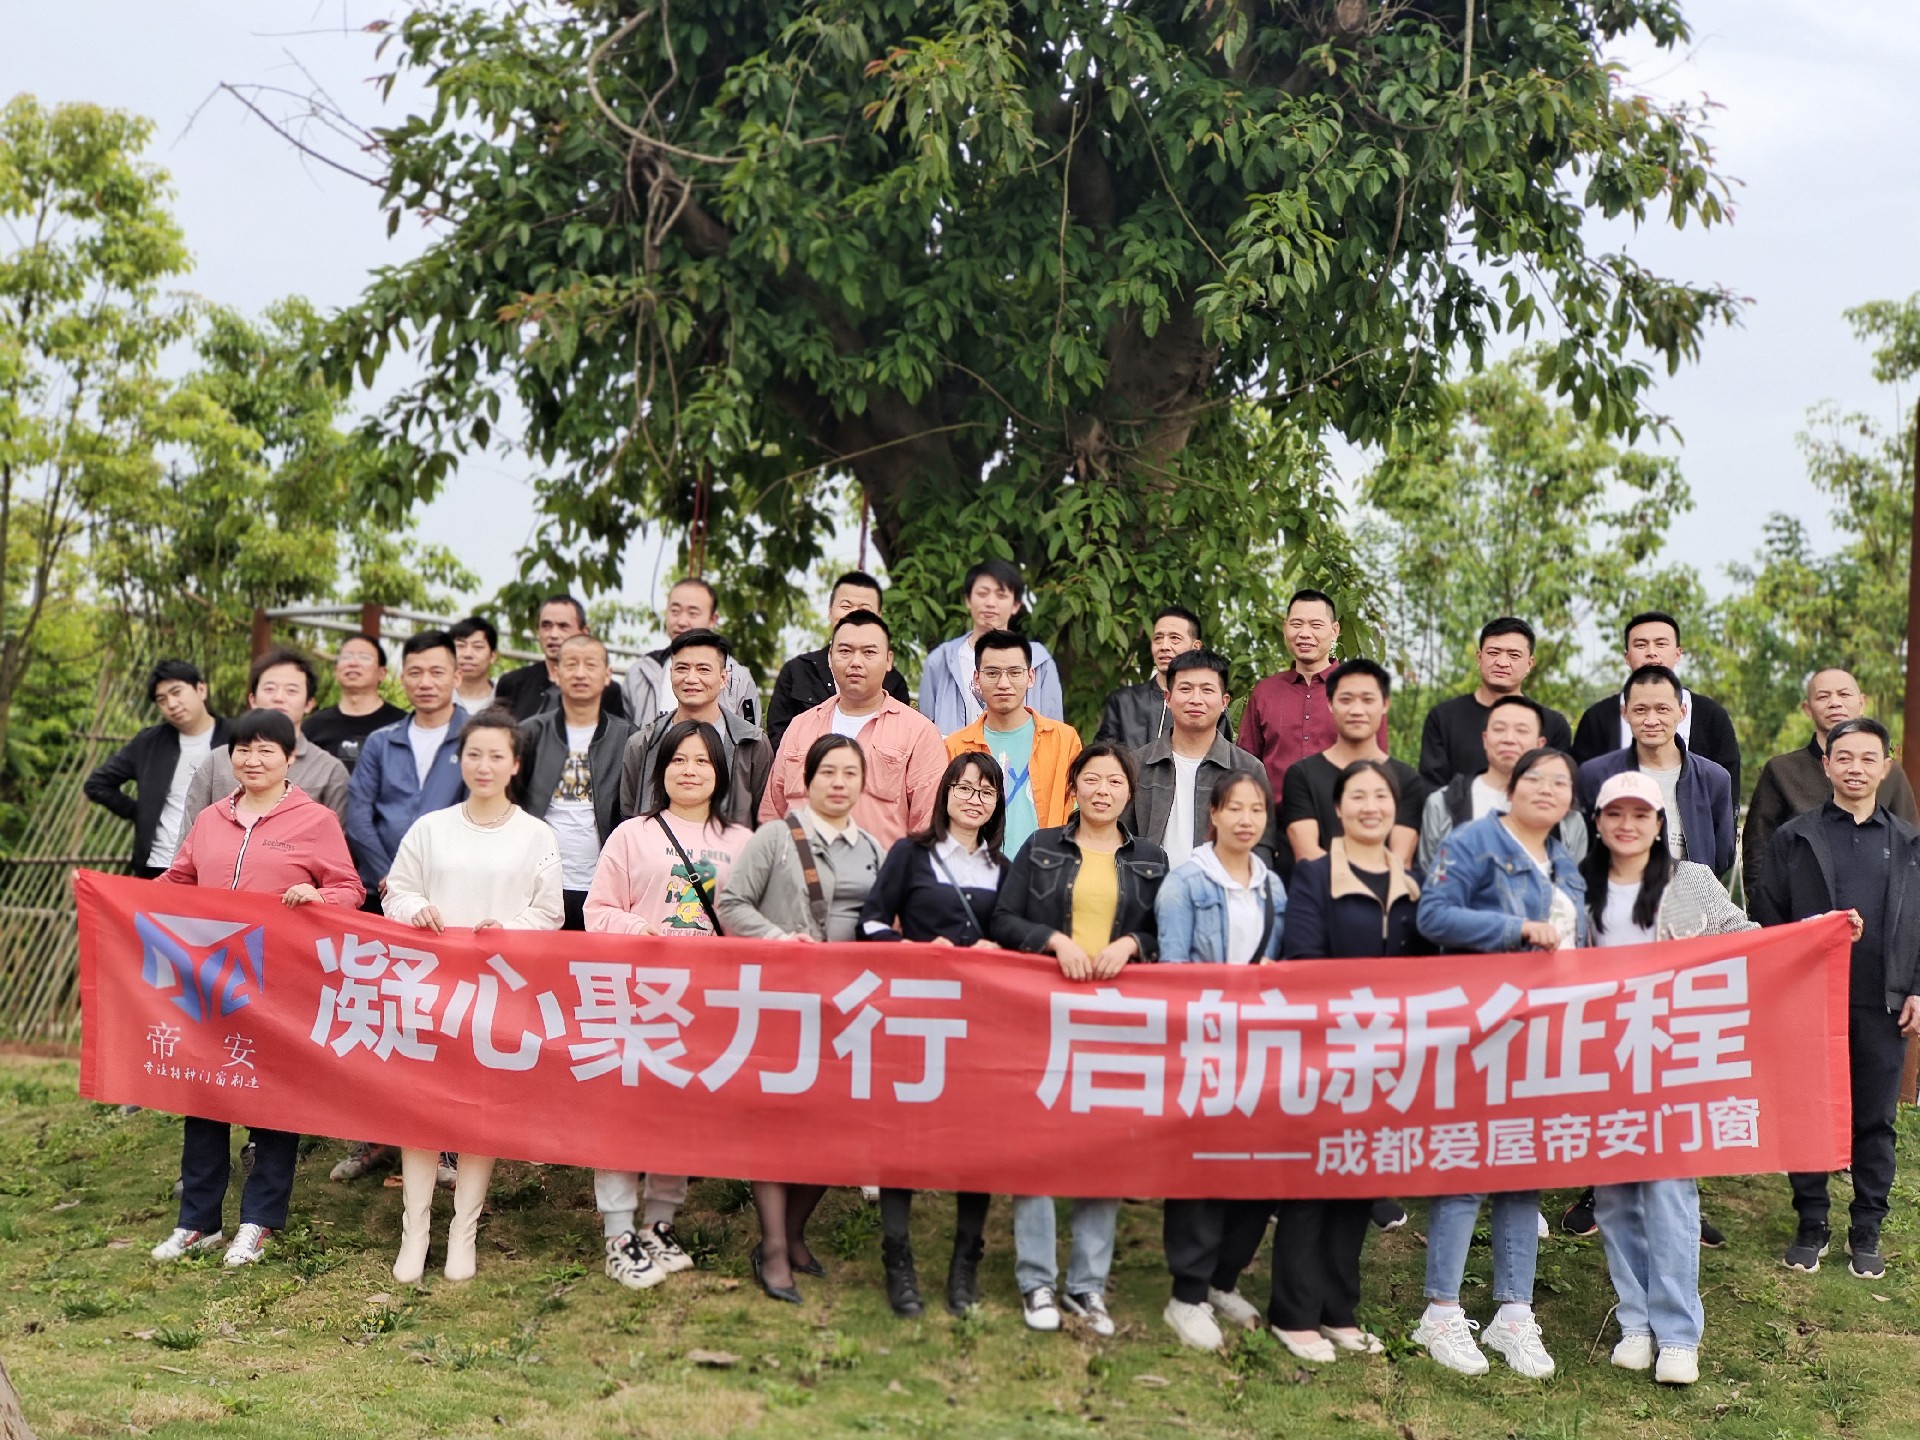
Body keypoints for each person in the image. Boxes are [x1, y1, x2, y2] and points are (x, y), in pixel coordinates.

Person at [148, 708, 363, 1268]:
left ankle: (259, 1221)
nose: (253, 760)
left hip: (280, 987)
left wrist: (319, 897)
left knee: (272, 1101)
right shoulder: (211, 819)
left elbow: (349, 888)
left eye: (267, 750)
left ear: (291, 758)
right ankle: (198, 1222)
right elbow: (178, 880)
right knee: (205, 1094)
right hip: (211, 983)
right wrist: (122, 897)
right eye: (243, 749)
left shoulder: (315, 820)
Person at [1412, 747, 1587, 1380]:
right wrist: (1513, 928)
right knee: (1466, 1165)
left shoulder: (1564, 859)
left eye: (1560, 782)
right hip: (1481, 1026)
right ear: (1512, 787)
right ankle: (1440, 1312)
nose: (1547, 789)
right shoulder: (1474, 841)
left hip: (1544, 1034)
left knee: (1522, 1168)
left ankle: (1514, 1313)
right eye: (1535, 778)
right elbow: (1433, 915)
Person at [1580, 771, 1758, 1387]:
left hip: (1673, 1058)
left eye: (1641, 814)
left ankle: (1679, 1334)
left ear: (1660, 824)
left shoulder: (1689, 881)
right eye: (1615, 814)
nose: (1627, 825)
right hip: (1600, 1060)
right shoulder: (1580, 886)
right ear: (1599, 822)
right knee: (1613, 1194)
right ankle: (1635, 1320)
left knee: (1669, 1192)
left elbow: (1755, 943)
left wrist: (1821, 931)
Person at [990, 743, 1167, 1338]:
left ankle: (1087, 1286)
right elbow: (1003, 919)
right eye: (1091, 779)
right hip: (1044, 1018)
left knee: (1103, 1151)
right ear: (1074, 787)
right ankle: (1037, 1279)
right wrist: (1053, 941)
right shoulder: (1041, 846)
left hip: (1117, 1024)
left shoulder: (1151, 858)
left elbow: (1166, 931)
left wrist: (1134, 944)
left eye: (1114, 782)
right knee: (1037, 1147)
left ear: (1128, 793)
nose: (1101, 791)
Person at [382, 708, 564, 1284]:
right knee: (420, 1111)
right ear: (460, 761)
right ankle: (415, 1231)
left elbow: (549, 911)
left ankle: (464, 1231)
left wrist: (508, 929)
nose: (484, 766)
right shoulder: (430, 828)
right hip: (430, 989)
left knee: (478, 1112)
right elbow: (396, 891)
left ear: (515, 764)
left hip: (496, 993)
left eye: (496, 756)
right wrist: (416, 908)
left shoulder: (536, 835)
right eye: (474, 754)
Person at [1260, 760, 1427, 1362]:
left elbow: (1428, 968)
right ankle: (1293, 1312)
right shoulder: (1313, 874)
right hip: (1326, 1050)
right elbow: (1303, 957)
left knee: (1361, 1179)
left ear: (1395, 809)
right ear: (1338, 808)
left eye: (1380, 796)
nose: (1370, 806)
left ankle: (1338, 1309)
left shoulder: (1412, 884)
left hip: (1388, 1055)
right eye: (1357, 796)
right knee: (1313, 1180)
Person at [585, 719, 755, 1290]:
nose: (690, 770)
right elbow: (598, 911)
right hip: (638, 995)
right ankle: (618, 1233)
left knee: (681, 1113)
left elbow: (752, 920)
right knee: (623, 1111)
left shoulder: (742, 842)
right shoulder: (631, 835)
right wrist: (641, 929)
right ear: (660, 771)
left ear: (720, 773)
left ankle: (660, 1222)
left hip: (705, 1002)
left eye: (702, 761)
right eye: (679, 760)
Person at [1751, 717, 1920, 1283]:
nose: (1855, 768)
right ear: (1826, 765)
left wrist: (1917, 989)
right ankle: (1811, 1221)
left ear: (1886, 767)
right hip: (1808, 1000)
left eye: (1868, 758)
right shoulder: (1794, 838)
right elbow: (1768, 918)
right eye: (1843, 757)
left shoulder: (1909, 843)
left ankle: (1867, 1227)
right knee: (1806, 1109)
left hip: (1883, 1001)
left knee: (1876, 1119)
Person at [718, 735, 883, 1302]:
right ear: (808, 779)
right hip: (782, 1002)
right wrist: (777, 939)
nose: (839, 782)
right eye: (828, 771)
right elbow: (732, 904)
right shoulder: (776, 837)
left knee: (840, 1127)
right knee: (776, 1123)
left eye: (850, 773)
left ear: (863, 785)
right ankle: (772, 1248)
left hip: (846, 1008)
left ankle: (793, 1233)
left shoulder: (872, 848)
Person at [857, 753, 1009, 1318]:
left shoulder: (1003, 868)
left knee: (977, 1143)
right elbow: (871, 923)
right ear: (945, 794)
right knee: (904, 1137)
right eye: (963, 788)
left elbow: (1013, 935)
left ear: (997, 804)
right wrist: (916, 951)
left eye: (986, 792)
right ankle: (897, 1261)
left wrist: (1000, 948)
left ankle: (965, 1264)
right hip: (915, 1016)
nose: (973, 799)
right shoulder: (910, 853)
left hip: (978, 1023)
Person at [1153, 771, 1286, 1354]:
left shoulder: (1273, 887)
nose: (1246, 819)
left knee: (1258, 1172)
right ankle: (1186, 1294)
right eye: (1235, 808)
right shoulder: (1186, 882)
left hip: (1259, 1051)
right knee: (1203, 1169)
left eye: (1256, 809)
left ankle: (1222, 1280)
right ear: (1213, 814)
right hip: (1204, 1047)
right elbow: (1173, 975)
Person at [761, 611, 948, 851]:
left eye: (869, 652)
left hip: (881, 872)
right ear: (830, 658)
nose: (855, 662)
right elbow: (772, 812)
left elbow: (928, 824)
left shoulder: (919, 732)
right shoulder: (800, 726)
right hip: (799, 870)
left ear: (888, 660)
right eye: (845, 651)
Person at [1741, 667, 1918, 897]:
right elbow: (1758, 849)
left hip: (1878, 903)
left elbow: (1910, 846)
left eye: (1844, 694)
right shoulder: (1782, 770)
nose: (1835, 703)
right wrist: (1765, 908)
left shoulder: (1888, 773)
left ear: (1861, 703)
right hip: (1801, 905)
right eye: (1823, 696)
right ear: (1807, 709)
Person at [514, 635, 639, 930]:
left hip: (602, 887)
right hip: (534, 885)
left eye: (590, 665)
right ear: (557, 673)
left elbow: (636, 814)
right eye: (571, 664)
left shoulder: (629, 738)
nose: (580, 673)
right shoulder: (528, 734)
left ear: (607, 675)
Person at [343, 631, 470, 909]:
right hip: (380, 889)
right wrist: (389, 875)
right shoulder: (380, 741)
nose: (425, 682)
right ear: (402, 679)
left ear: (457, 677)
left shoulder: (476, 738)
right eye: (415, 672)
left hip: (448, 892)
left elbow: (480, 817)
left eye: (437, 672)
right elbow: (359, 817)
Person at [1576, 665, 1736, 879]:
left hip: (1689, 895)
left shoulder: (1713, 779)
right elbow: (1580, 846)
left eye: (1662, 709)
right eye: (1640, 710)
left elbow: (1722, 855)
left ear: (1682, 712)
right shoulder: (1595, 775)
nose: (1651, 721)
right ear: (1625, 713)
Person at [1128, 650, 1276, 872]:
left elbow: (1262, 844)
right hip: (1149, 888)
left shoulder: (1247, 769)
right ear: (1168, 698)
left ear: (1224, 702)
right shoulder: (1137, 764)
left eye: (1207, 690)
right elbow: (1119, 837)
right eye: (1185, 689)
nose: (1196, 699)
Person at [943, 630, 1082, 863]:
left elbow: (1079, 811)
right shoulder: (956, 746)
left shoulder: (1063, 740)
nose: (1003, 683)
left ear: (1030, 676)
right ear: (976, 679)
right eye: (992, 673)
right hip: (976, 870)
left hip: (1047, 868)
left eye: (1015, 672)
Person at [84, 660, 229, 877]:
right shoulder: (149, 742)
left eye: (177, 692)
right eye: (162, 700)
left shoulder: (237, 737)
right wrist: (142, 812)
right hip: (159, 865)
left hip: (218, 867)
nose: (172, 704)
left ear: (201, 689)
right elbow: (97, 784)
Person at [1279, 659, 1425, 874]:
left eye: (1368, 700)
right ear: (1330, 704)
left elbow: (1400, 861)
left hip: (1387, 893)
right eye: (1346, 700)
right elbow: (1307, 854)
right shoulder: (1301, 775)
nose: (1357, 710)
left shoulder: (1406, 779)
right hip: (1319, 891)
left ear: (1385, 704)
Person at [1571, 611, 1741, 793]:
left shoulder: (1711, 716)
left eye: (1661, 644)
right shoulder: (1597, 718)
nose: (1651, 652)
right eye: (1641, 645)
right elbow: (1582, 787)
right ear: (1626, 657)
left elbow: (1727, 790)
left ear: (1678, 654)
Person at [1239, 589, 1386, 799]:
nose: (1305, 633)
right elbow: (1245, 767)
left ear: (1334, 631)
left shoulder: (1361, 692)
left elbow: (1378, 767)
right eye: (1297, 624)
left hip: (1342, 816)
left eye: (1316, 625)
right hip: (1275, 817)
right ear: (1285, 628)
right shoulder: (1265, 693)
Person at [620, 629, 773, 826]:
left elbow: (764, 818)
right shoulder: (642, 743)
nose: (691, 678)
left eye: (703, 669)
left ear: (723, 678)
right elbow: (629, 814)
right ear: (671, 674)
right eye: (682, 668)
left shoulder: (752, 743)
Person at [1418, 695, 1586, 873]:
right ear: (1485, 739)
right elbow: (1430, 875)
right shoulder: (1443, 803)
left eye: (1521, 731)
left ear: (1540, 744)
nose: (1509, 739)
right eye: (1499, 729)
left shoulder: (1565, 813)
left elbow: (1572, 881)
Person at [182, 648, 350, 823]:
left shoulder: (329, 770)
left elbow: (335, 835)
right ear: (252, 700)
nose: (279, 698)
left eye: (291, 691)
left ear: (309, 704)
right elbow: (191, 830)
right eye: (269, 688)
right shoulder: (217, 760)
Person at [1416, 618, 1575, 787]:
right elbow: (1432, 787)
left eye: (1514, 655)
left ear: (1530, 664)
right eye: (1493, 653)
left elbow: (1558, 787)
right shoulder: (1444, 717)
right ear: (1479, 658)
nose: (1502, 663)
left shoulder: (1553, 724)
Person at [766, 570, 911, 751]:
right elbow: (778, 737)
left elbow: (901, 740)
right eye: (846, 606)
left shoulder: (893, 681)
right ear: (830, 611)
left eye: (864, 608)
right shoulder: (797, 671)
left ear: (879, 616)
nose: (854, 614)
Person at [918, 559, 1063, 733]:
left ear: (1016, 605)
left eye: (1001, 595)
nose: (990, 603)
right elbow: (925, 727)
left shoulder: (1040, 661)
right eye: (982, 593)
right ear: (968, 600)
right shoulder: (940, 660)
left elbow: (1055, 731)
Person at [622, 577, 760, 727]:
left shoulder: (739, 678)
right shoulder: (641, 673)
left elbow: (749, 736)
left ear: (713, 619)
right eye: (675, 611)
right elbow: (624, 734)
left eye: (693, 613)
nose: (682, 622)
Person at [1096, 605, 1228, 752]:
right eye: (1158, 638)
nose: (1164, 646)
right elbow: (1103, 756)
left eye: (1175, 638)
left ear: (1195, 646)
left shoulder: (1209, 706)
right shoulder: (1124, 702)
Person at [493, 594, 630, 721]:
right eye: (546, 626)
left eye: (563, 626)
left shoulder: (605, 689)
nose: (553, 634)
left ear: (584, 632)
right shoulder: (513, 683)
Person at [304, 635, 408, 772]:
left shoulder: (402, 725)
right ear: (336, 670)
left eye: (364, 657)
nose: (353, 663)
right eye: (346, 657)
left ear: (382, 673)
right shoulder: (313, 726)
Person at [449, 615, 501, 712]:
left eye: (478, 647)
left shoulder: (505, 698)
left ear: (493, 656)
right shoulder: (438, 696)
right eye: (460, 646)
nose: (468, 654)